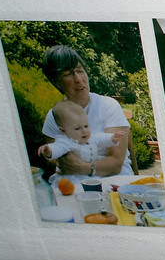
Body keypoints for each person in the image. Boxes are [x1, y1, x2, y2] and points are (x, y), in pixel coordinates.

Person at [40, 46, 131, 177]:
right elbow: (52, 158)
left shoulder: (108, 105)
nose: (78, 79)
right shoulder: (54, 115)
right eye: (68, 74)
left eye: (80, 70)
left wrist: (84, 168)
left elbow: (116, 163)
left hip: (113, 179)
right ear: (57, 82)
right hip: (74, 180)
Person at [37, 99, 116, 165]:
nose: (84, 131)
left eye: (86, 126)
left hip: (91, 172)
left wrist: (112, 138)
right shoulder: (67, 142)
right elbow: (58, 148)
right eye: (77, 128)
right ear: (63, 131)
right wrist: (49, 151)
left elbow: (101, 138)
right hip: (74, 175)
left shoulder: (90, 138)